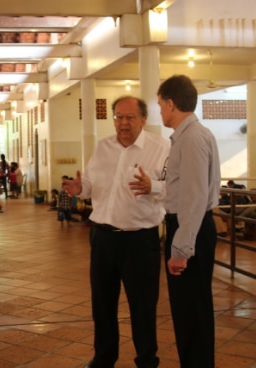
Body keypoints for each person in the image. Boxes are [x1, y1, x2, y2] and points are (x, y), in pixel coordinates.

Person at [63, 96, 169, 368]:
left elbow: (176, 189)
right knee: (102, 305)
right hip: (102, 238)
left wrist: (153, 187)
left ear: (143, 120)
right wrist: (79, 190)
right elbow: (89, 184)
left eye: (130, 117)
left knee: (143, 308)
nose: (123, 123)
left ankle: (147, 361)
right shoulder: (102, 148)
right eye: (119, 117)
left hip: (140, 240)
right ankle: (104, 358)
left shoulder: (161, 148)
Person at [157, 74, 221, 368]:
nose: (160, 111)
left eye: (160, 105)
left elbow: (194, 198)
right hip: (190, 227)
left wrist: (181, 249)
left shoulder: (192, 138)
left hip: (189, 230)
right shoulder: (190, 136)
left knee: (191, 310)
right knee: (189, 310)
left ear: (171, 103)